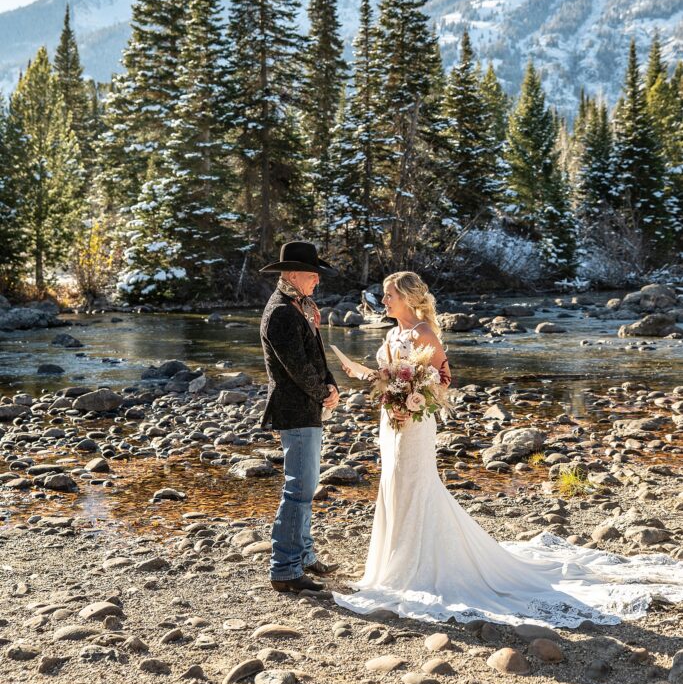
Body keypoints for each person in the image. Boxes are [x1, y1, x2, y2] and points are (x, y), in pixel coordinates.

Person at [333, 270, 683, 627]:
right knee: (392, 482)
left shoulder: (424, 333)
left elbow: (442, 379)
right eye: (385, 294)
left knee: (415, 483)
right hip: (391, 420)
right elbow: (389, 373)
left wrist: (414, 395)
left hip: (416, 421)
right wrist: (379, 381)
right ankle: (392, 559)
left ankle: (418, 563)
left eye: (389, 293)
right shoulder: (392, 333)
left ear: (407, 298)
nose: (384, 299)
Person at [260, 240, 341, 593]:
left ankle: (304, 556)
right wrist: (325, 393)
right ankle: (285, 569)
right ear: (293, 274)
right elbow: (296, 368)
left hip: (307, 408)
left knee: (306, 488)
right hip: (295, 410)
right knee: (299, 489)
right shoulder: (280, 312)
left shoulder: (300, 307)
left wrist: (331, 385)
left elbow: (316, 359)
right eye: (313, 275)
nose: (317, 282)